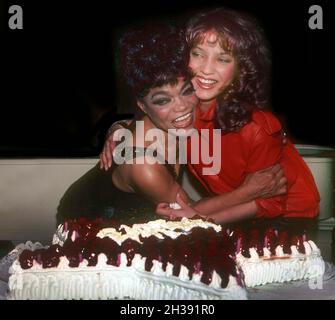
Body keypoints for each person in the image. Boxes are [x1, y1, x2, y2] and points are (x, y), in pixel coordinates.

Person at [100, 8, 319, 234]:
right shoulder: (187, 103)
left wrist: (201, 216)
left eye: (223, 59)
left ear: (241, 69)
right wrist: (118, 129)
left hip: (286, 217)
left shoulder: (255, 126)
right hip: (233, 204)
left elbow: (270, 202)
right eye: (197, 54)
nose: (206, 69)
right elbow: (154, 115)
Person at [56, 23, 284, 225]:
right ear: (143, 106)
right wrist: (249, 192)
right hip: (86, 224)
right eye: (163, 100)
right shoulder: (144, 166)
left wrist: (117, 126)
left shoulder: (166, 123)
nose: (182, 107)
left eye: (187, 91)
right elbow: (184, 214)